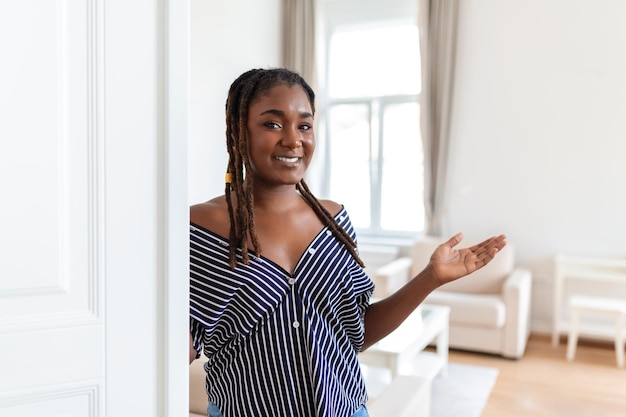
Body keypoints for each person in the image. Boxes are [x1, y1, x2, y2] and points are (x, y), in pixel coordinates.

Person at [189, 67, 506, 417]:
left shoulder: (334, 221)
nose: (293, 140)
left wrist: (431, 277)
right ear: (238, 130)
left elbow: (356, 334)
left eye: (305, 125)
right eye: (273, 124)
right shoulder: (198, 227)